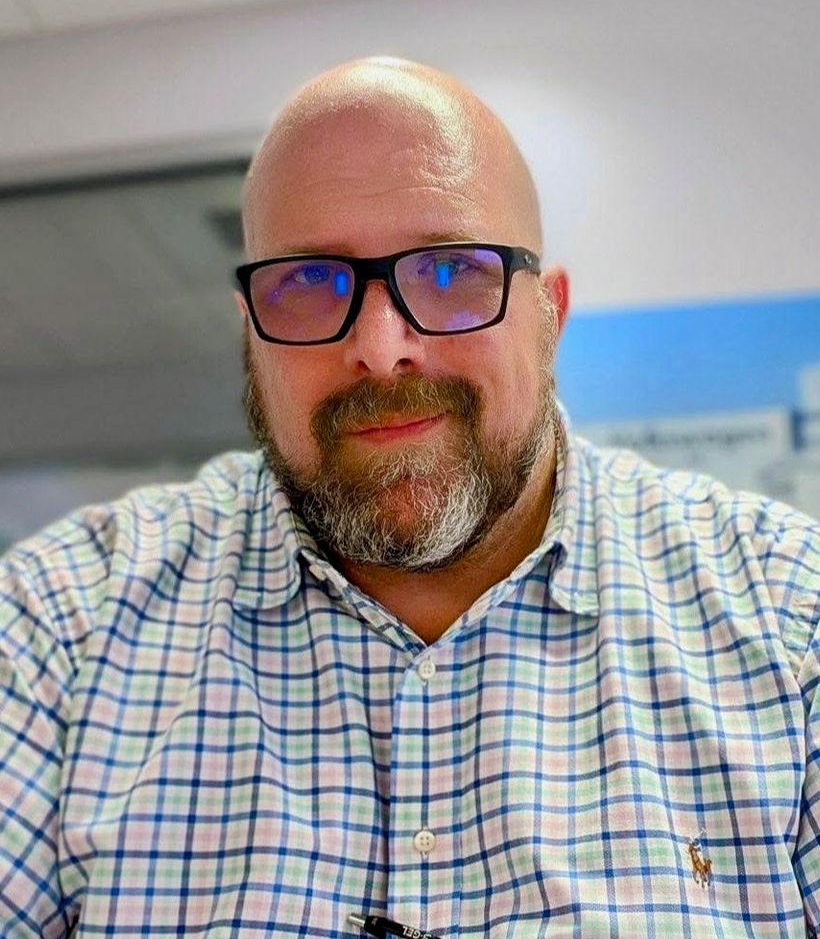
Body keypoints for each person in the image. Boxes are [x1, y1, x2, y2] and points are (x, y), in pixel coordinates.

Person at [0, 56, 818, 939]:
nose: (383, 346)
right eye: (309, 282)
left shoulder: (790, 620)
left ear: (549, 315)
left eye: (452, 271)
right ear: (252, 337)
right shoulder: (59, 629)